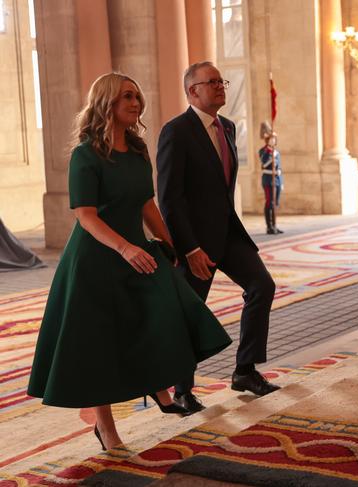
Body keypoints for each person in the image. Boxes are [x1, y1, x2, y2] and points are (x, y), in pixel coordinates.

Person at [27, 73, 232, 450]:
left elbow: (146, 203)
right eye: (127, 97)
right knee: (98, 344)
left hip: (137, 250)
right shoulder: (85, 155)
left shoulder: (137, 149)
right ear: (107, 104)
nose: (136, 103)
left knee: (165, 313)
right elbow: (85, 215)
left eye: (137, 96)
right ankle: (106, 427)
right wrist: (124, 249)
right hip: (95, 259)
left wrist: (171, 245)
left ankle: (158, 385)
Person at [157, 61, 280, 410]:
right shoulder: (176, 131)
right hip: (196, 241)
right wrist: (189, 247)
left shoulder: (226, 127)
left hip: (229, 233)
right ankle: (182, 391)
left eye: (221, 81)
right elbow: (169, 197)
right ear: (192, 91)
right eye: (211, 82)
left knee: (262, 286)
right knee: (191, 312)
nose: (220, 86)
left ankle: (245, 370)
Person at [259, 121, 284, 235]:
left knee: (276, 203)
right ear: (267, 140)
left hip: (277, 180)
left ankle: (274, 225)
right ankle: (269, 226)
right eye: (271, 139)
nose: (273, 140)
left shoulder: (277, 152)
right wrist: (270, 155)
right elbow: (264, 164)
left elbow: (280, 168)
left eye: (274, 139)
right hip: (268, 179)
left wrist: (281, 182)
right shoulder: (263, 151)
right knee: (270, 202)